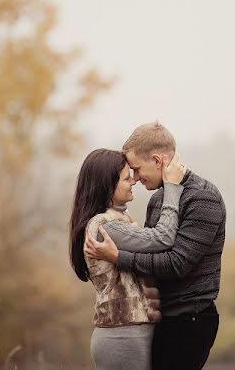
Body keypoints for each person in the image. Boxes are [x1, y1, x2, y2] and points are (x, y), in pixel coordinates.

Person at [85, 122, 226, 370]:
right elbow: (152, 252)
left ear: (157, 160)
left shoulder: (203, 198)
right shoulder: (160, 199)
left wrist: (118, 257)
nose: (136, 179)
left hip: (190, 319)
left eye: (137, 170)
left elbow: (176, 264)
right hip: (162, 318)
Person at [69, 147, 186, 370]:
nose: (133, 181)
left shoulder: (118, 220)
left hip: (130, 333)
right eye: (126, 178)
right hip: (122, 336)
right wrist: (172, 188)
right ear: (107, 186)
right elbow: (162, 238)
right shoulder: (106, 227)